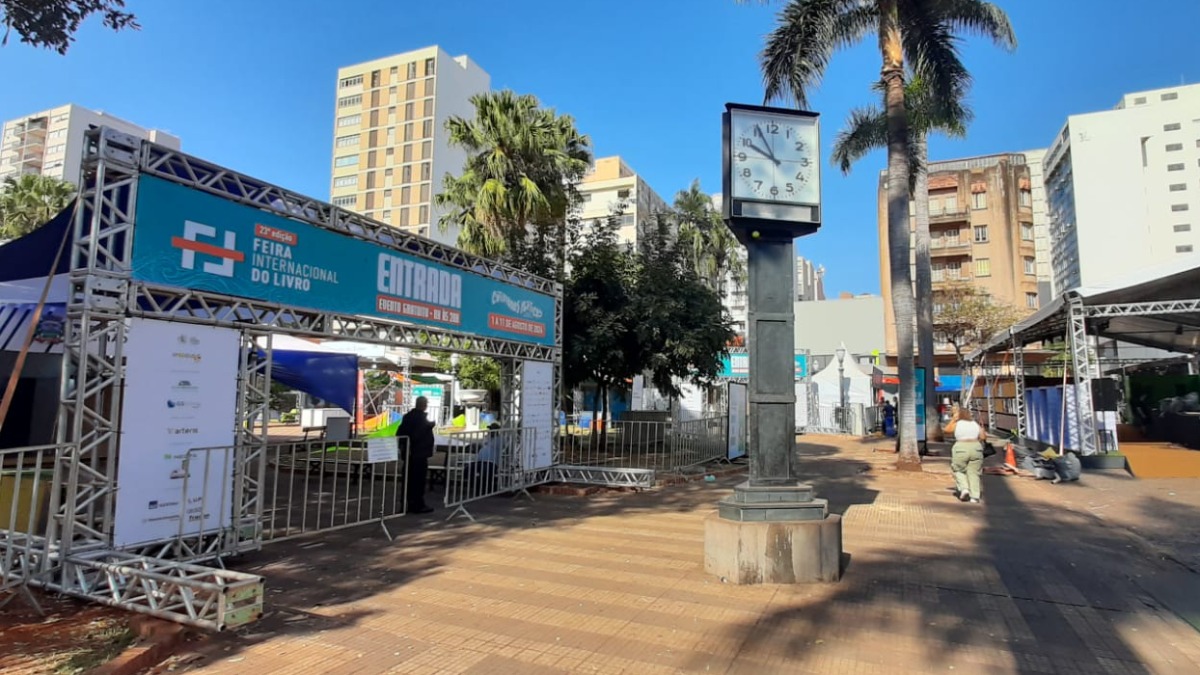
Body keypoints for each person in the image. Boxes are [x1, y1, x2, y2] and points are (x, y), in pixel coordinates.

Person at [396, 396, 436, 514]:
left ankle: (406, 504)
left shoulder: (408, 417)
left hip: (410, 454)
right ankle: (417, 504)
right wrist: (428, 427)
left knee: (408, 480)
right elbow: (416, 435)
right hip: (418, 454)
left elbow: (401, 433)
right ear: (423, 405)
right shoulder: (420, 420)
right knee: (418, 481)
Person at [943, 404, 988, 504]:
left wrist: (953, 420)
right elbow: (983, 437)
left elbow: (946, 430)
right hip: (976, 447)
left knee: (958, 469)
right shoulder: (974, 424)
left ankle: (964, 489)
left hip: (961, 447)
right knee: (974, 473)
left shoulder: (958, 423)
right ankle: (975, 497)